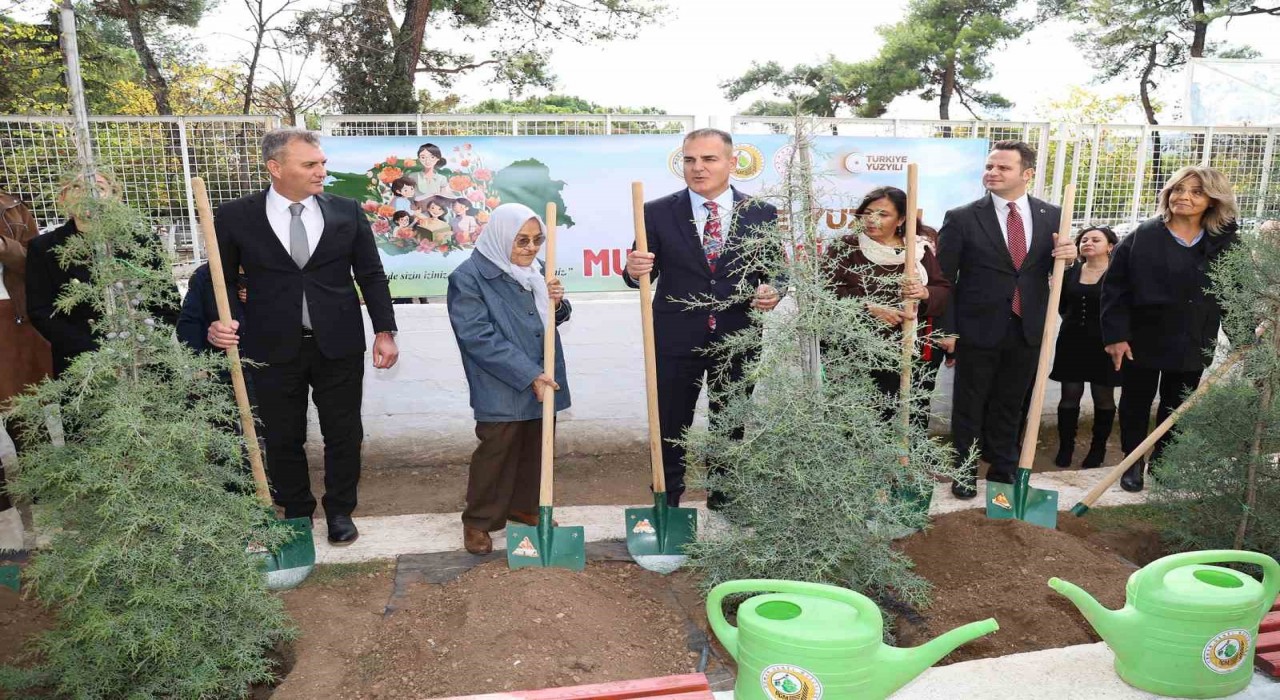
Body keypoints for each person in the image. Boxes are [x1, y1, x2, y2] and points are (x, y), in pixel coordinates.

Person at [206, 128, 399, 545]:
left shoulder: (346, 211)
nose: (321, 172)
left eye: (322, 163)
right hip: (269, 347)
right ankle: (296, 512)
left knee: (345, 433)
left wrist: (385, 330)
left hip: (339, 344)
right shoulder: (236, 216)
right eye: (310, 164)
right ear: (276, 168)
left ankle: (340, 511)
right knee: (282, 434)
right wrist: (220, 322)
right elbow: (217, 279)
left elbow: (370, 274)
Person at [624, 128, 781, 509]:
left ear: (731, 162)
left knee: (730, 420)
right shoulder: (656, 211)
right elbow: (638, 274)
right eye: (690, 159)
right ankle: (667, 499)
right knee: (669, 422)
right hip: (675, 337)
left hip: (738, 337)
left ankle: (725, 496)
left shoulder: (760, 213)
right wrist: (633, 268)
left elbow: (776, 270)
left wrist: (774, 290)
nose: (697, 168)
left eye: (708, 159)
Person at [935, 140, 1078, 499]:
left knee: (1011, 403)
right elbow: (944, 278)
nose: (992, 173)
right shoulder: (962, 217)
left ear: (1027, 174)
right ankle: (965, 472)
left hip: (1027, 326)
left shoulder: (1052, 216)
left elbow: (1053, 270)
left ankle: (1003, 468)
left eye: (1003, 168)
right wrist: (947, 329)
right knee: (969, 404)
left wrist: (1069, 256)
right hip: (976, 327)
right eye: (989, 167)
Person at [1101, 166, 1239, 492]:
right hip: (1142, 338)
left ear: (1212, 200)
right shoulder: (1145, 235)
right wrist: (1116, 336)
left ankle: (1163, 461)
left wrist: (1244, 337)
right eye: (1178, 189)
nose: (1184, 197)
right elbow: (1115, 288)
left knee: (1177, 405)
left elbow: (1233, 293)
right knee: (1135, 403)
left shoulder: (1225, 242)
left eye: (1196, 191)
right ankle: (1132, 462)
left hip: (1193, 338)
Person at [447, 203, 570, 555]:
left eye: (536, 240)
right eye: (522, 241)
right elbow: (476, 336)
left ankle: (525, 506)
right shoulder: (468, 277)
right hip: (500, 380)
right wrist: (528, 373)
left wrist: (558, 304)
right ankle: (479, 521)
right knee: (497, 449)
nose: (530, 248)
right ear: (501, 238)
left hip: (543, 373)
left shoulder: (537, 269)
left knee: (536, 443)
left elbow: (554, 316)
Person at [27, 173, 179, 379]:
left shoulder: (142, 242)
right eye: (77, 187)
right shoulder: (44, 248)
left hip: (145, 361)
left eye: (99, 188)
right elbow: (41, 312)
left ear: (115, 196)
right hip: (82, 366)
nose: (89, 194)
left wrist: (143, 344)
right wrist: (96, 353)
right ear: (62, 198)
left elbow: (168, 302)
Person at [826, 186, 950, 429]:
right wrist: (868, 307)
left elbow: (942, 290)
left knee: (911, 417)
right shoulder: (846, 247)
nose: (872, 220)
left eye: (883, 214)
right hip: (856, 352)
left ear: (901, 219)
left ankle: (906, 465)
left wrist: (924, 293)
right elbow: (825, 292)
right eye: (868, 212)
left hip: (908, 351)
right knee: (859, 422)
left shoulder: (917, 250)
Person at [0, 190, 52, 527]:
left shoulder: (12, 206)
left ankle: (43, 486)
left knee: (22, 409)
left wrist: (4, 247)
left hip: (9, 317)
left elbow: (34, 259)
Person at [1050, 226, 1120, 469]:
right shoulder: (1069, 272)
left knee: (1103, 398)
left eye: (1096, 239)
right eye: (1084, 239)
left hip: (1105, 344)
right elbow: (1061, 305)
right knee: (1069, 396)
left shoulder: (1118, 274)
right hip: (1072, 342)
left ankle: (1097, 449)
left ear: (1110, 246)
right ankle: (1066, 447)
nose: (1088, 242)